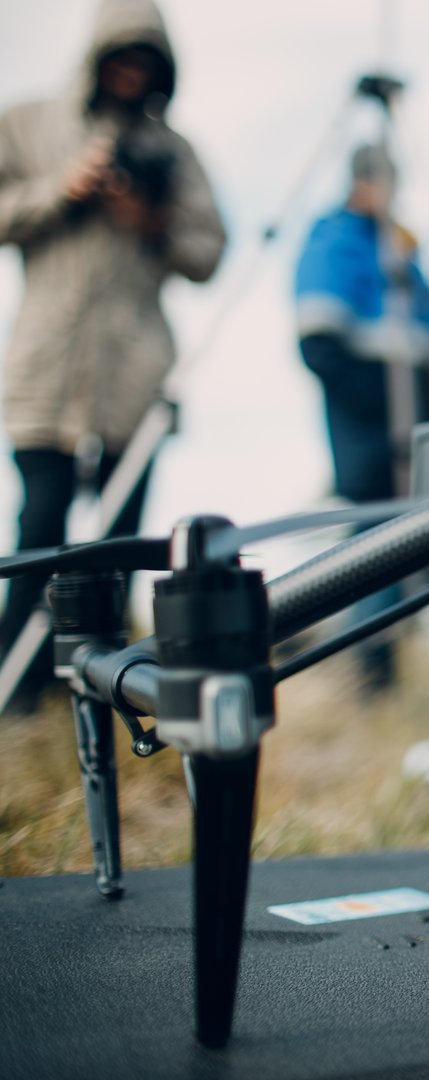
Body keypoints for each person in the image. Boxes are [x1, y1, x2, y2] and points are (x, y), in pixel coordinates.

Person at [0, 0, 225, 711]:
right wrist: (59, 190)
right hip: (46, 365)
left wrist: (151, 222)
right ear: (96, 60)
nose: (131, 73)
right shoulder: (30, 123)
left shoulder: (175, 150)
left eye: (146, 62)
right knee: (42, 523)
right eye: (121, 59)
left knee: (122, 538)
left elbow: (209, 250)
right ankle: (18, 686)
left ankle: (99, 689)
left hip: (135, 371)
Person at [295, 142, 429, 693]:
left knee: (400, 548)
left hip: (415, 422)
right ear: (363, 183)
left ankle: (384, 671)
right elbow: (318, 342)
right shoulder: (334, 241)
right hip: (370, 428)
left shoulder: (400, 249)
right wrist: (380, 411)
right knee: (369, 547)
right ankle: (368, 673)